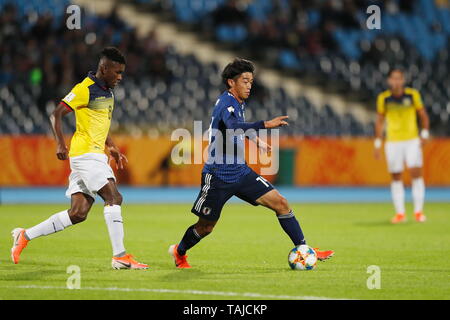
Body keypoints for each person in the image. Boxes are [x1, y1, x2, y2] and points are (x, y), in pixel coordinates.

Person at [168, 58, 334, 268]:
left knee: (281, 203)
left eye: (251, 82)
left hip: (240, 171)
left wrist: (256, 140)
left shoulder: (238, 102)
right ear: (231, 82)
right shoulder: (226, 102)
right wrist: (266, 124)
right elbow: (233, 125)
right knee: (206, 227)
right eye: (245, 81)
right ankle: (179, 251)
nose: (249, 86)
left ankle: (304, 248)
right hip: (218, 175)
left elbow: (234, 129)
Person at [11, 47, 148, 269]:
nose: (120, 77)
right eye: (117, 72)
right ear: (104, 68)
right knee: (114, 197)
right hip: (86, 155)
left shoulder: (108, 92)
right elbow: (55, 114)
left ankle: (24, 236)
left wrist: (111, 146)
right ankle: (120, 256)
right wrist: (59, 142)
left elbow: (101, 123)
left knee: (78, 213)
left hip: (94, 155)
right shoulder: (84, 88)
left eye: (122, 72)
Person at [374, 68, 430, 224]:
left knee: (415, 173)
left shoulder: (412, 95)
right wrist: (378, 143)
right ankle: (400, 213)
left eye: (399, 78)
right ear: (389, 81)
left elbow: (423, 115)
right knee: (396, 176)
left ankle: (418, 212)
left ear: (403, 80)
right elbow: (379, 121)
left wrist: (424, 134)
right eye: (393, 78)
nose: (396, 81)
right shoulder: (384, 98)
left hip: (412, 140)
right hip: (392, 142)